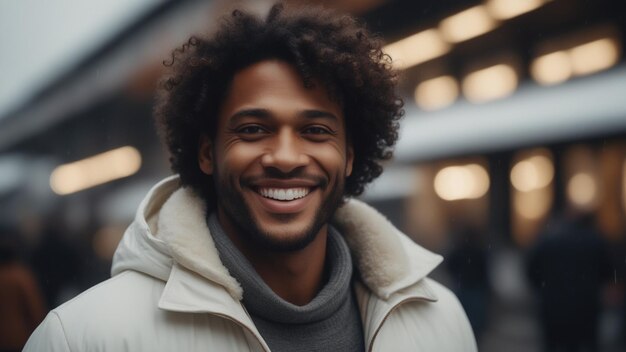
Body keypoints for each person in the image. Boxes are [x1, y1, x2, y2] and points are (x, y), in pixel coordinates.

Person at [24, 3, 476, 351]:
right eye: (253, 129)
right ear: (207, 153)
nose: (284, 157)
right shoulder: (81, 337)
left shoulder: (441, 322)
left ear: (351, 155)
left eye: (315, 131)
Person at [527, 210, 612, 352]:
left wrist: (543, 290)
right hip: (586, 306)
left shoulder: (548, 241)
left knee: (552, 345)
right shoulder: (594, 241)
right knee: (585, 344)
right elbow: (607, 272)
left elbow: (531, 271)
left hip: (553, 306)